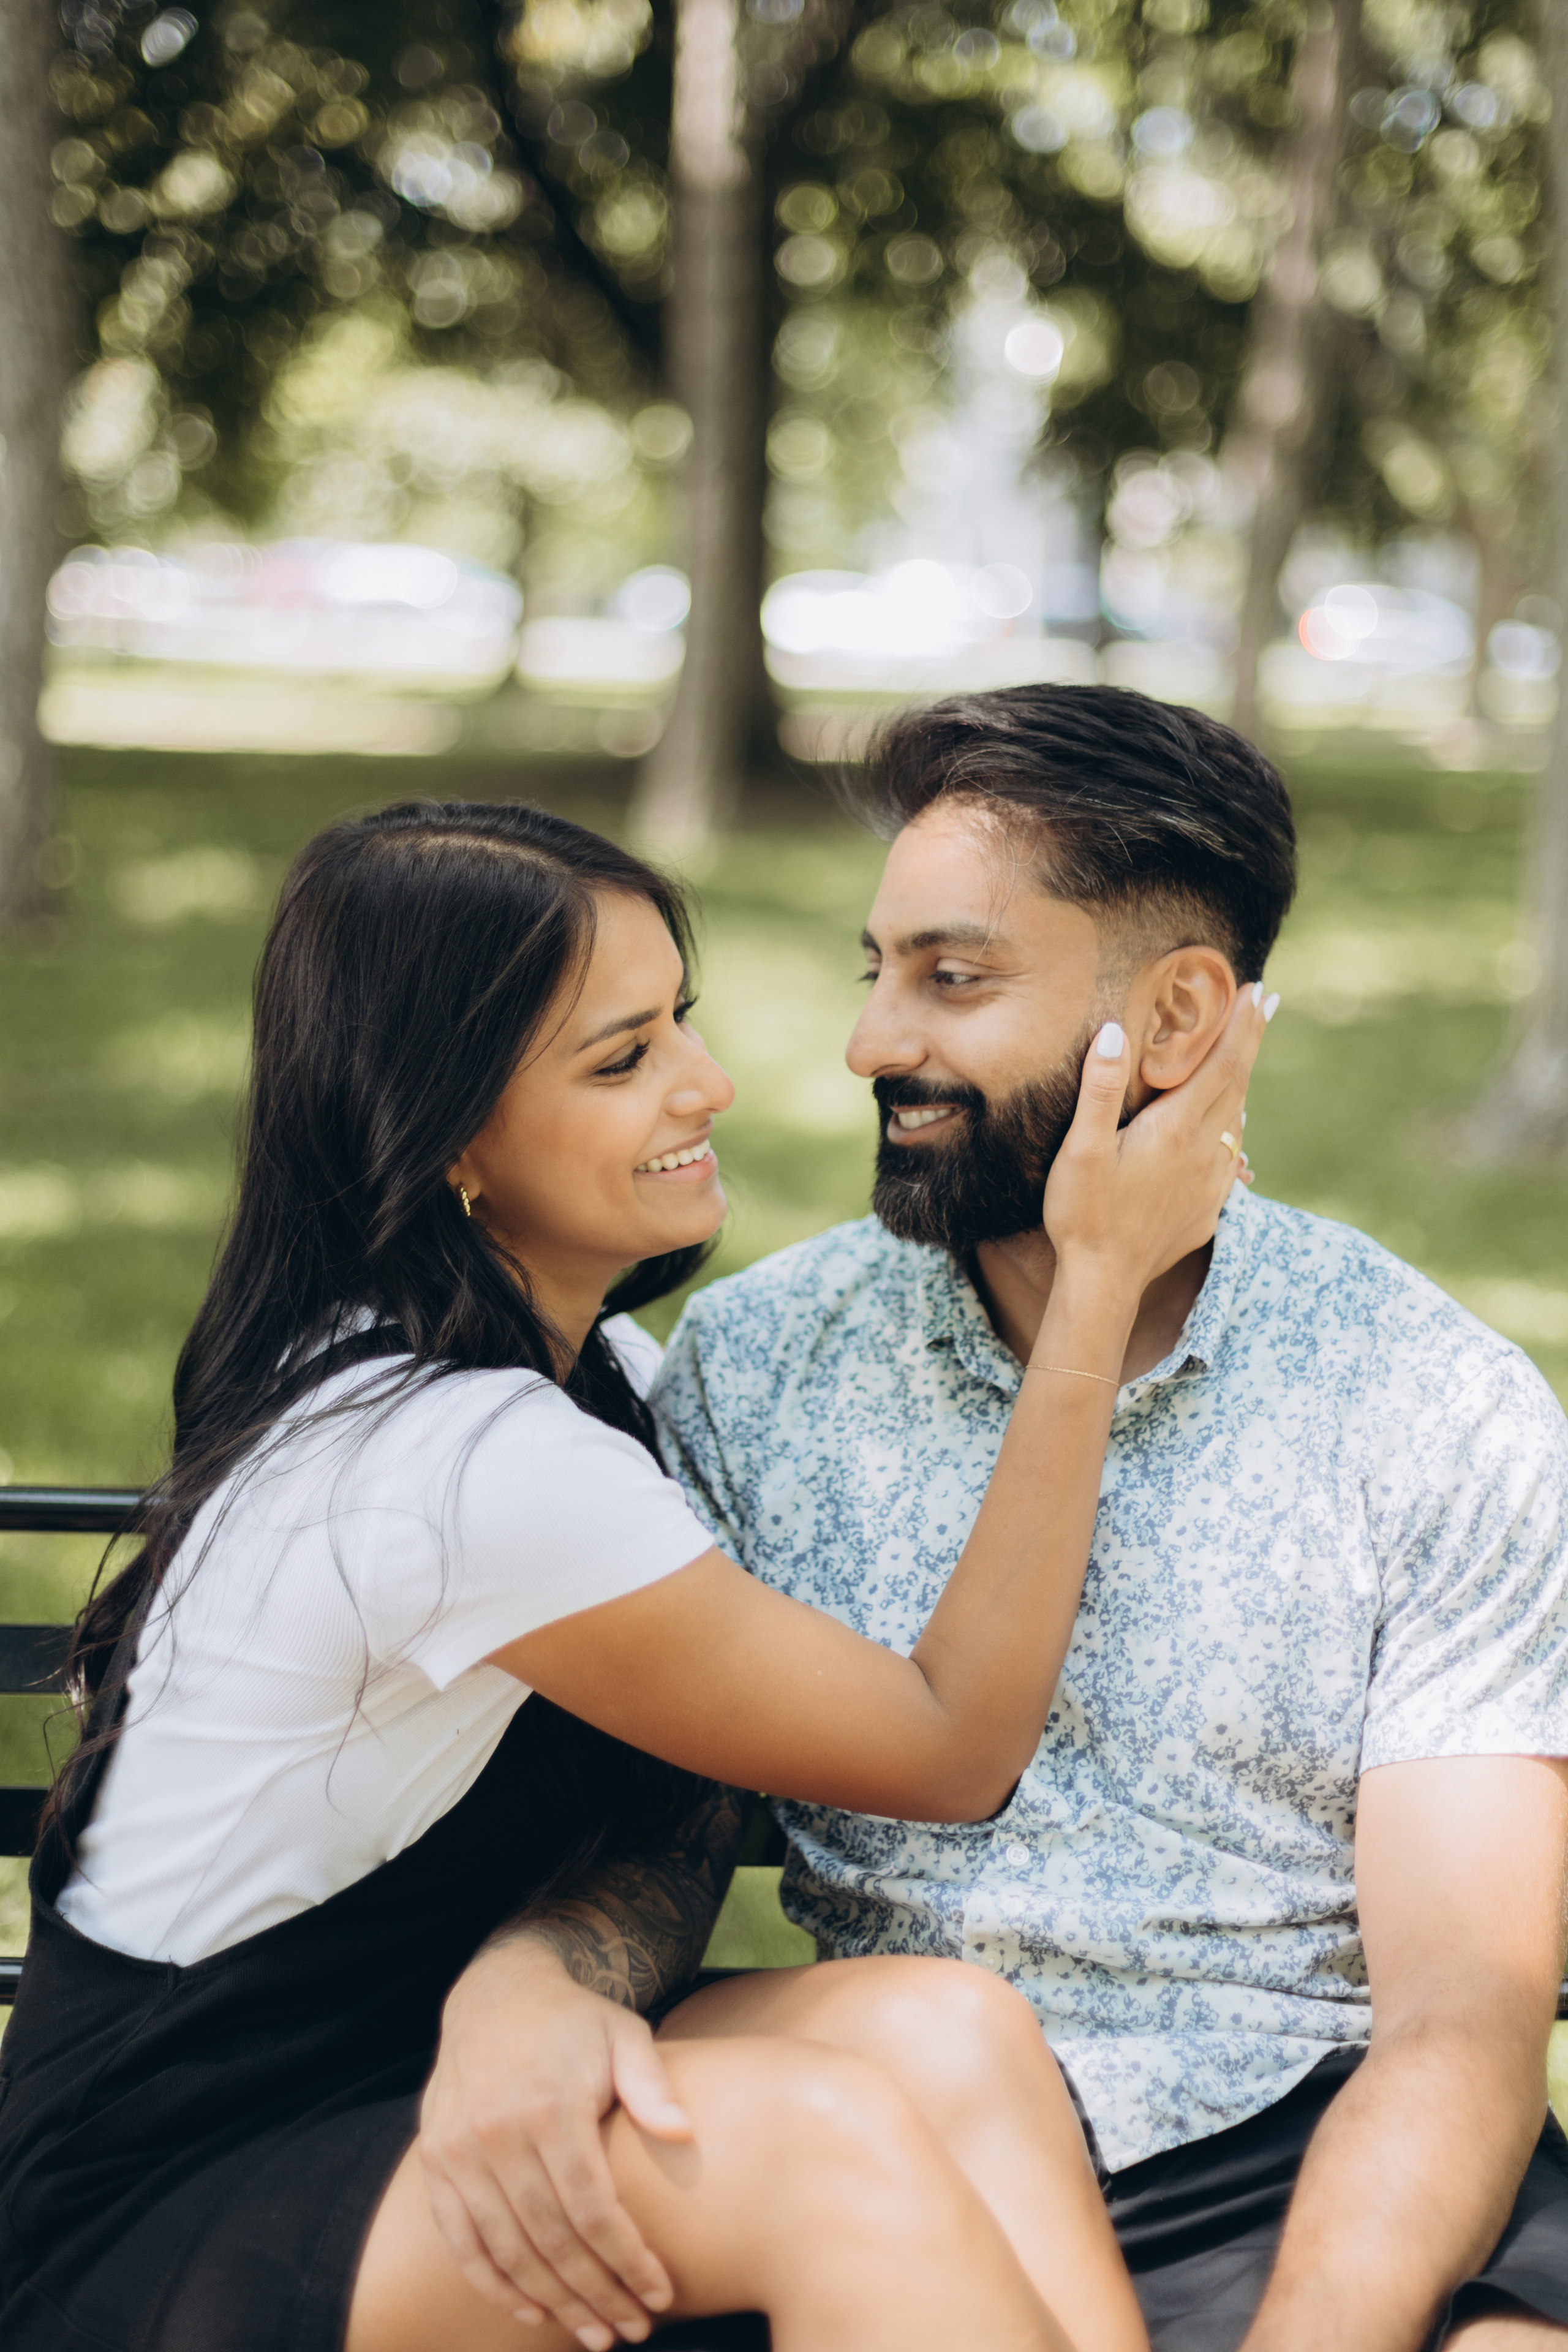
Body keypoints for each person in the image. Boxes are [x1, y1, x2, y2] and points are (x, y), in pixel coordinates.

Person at [0, 796, 1263, 2352]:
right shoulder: (453, 1462)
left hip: (380, 2058)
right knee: (818, 2153)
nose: (708, 1084)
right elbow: (947, 1747)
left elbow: (679, 1788)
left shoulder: (576, 1378)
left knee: (941, 2029)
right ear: (450, 1132)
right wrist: (1096, 1291)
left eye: (682, 1021)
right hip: (170, 2197)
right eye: (621, 1058)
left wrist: (541, 1978)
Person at [639, 687, 1568, 2352]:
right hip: (886, 2139)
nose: (872, 1044)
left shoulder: (1432, 1406)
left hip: (1311, 2150)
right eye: (878, 969)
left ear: (1183, 1014)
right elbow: (643, 1849)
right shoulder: (763, 1369)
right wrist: (549, 1995)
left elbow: (1461, 2023)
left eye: (954, 977)